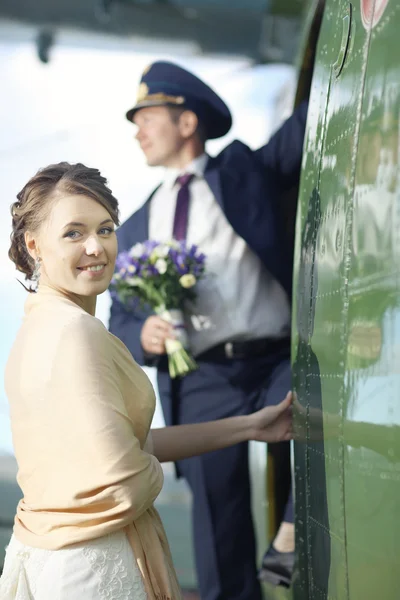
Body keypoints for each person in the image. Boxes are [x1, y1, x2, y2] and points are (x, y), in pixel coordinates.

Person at [0, 162, 293, 600]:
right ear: (34, 245)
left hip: (48, 558)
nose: (96, 247)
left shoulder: (36, 329)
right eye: (74, 233)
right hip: (95, 571)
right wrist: (140, 473)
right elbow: (119, 480)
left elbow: (127, 450)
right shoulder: (77, 332)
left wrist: (250, 426)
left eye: (105, 229)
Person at [109, 61, 308, 599]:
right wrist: (143, 336)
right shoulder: (135, 226)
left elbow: (308, 125)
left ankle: (292, 535)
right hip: (199, 380)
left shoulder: (243, 169)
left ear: (187, 122)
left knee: (313, 410)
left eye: (147, 116)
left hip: (273, 357)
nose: (138, 130)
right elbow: (118, 320)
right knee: (218, 530)